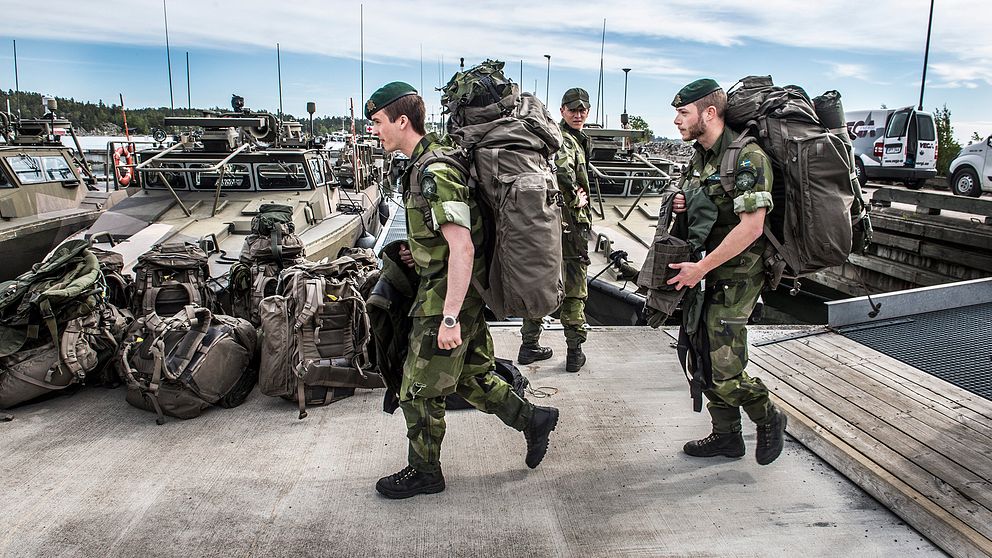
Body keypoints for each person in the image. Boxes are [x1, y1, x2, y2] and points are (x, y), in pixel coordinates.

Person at [366, 82, 560, 499]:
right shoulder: (426, 163)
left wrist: (450, 316)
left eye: (378, 122)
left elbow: (462, 245)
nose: (375, 131)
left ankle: (425, 472)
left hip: (445, 300)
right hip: (450, 289)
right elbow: (444, 239)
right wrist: (416, 253)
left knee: (417, 389)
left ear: (402, 121)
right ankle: (534, 419)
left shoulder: (434, 170)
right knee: (471, 377)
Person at [667, 78, 788, 465]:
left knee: (725, 369)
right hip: (705, 273)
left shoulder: (747, 157)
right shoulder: (701, 157)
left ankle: (768, 415)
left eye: (683, 113)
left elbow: (752, 226)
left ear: (710, 113)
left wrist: (700, 268)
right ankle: (726, 436)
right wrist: (685, 205)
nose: (676, 120)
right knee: (700, 355)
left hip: (737, 275)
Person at [517, 87, 592, 373]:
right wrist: (575, 198)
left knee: (542, 282)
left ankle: (529, 345)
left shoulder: (554, 137)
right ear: (562, 111)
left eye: (582, 109)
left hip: (546, 223)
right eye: (572, 109)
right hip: (570, 224)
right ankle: (574, 351)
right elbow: (562, 172)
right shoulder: (566, 141)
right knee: (574, 288)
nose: (578, 113)